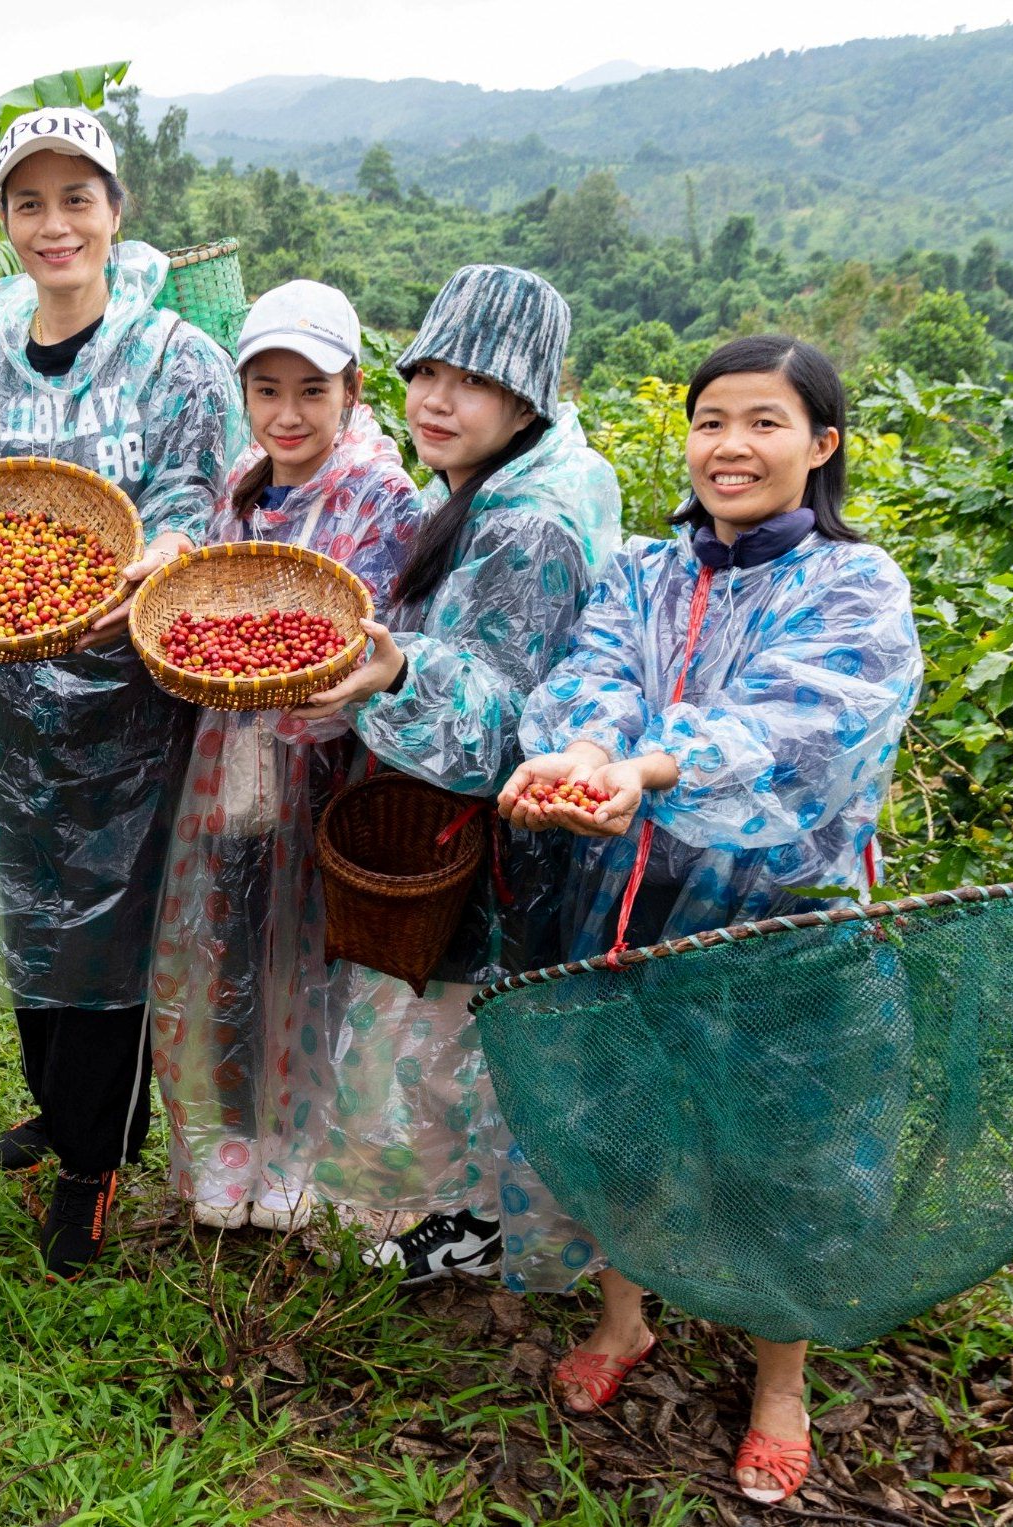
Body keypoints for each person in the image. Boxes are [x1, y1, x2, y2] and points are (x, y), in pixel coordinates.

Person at [499, 335, 922, 1504]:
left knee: (783, 1142)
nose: (729, 447)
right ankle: (622, 1319)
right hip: (620, 890)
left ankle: (778, 1381)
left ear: (820, 445)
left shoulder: (854, 585)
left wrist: (647, 769)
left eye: (762, 423)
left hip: (777, 916)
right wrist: (584, 752)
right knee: (614, 1108)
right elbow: (590, 676)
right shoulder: (642, 572)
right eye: (710, 422)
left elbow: (801, 725)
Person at [0, 107, 245, 1276]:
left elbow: (192, 497)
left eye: (77, 199)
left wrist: (161, 552)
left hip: (131, 702)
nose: (53, 224)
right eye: (29, 203)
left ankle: (96, 1159)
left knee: (111, 928)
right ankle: (55, 1107)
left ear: (116, 213)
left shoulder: (176, 358)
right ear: (5, 221)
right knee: (34, 914)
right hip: (14, 693)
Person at [289, 265, 622, 1291]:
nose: (436, 401)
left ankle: (470, 1223)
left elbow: (505, 720)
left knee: (457, 1030)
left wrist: (398, 673)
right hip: (492, 828)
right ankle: (468, 1213)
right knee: (466, 1026)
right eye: (426, 372)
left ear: (527, 400)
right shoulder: (500, 480)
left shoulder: (527, 522)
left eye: (472, 382)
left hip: (497, 835)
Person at [147, 280, 422, 1233]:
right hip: (236, 762)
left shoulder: (383, 496)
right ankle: (236, 1136)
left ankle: (301, 1141)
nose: (288, 414)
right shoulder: (244, 480)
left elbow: (372, 636)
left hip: (329, 766)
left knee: (313, 955)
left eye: (312, 390)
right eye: (267, 391)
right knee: (229, 941)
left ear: (352, 390)